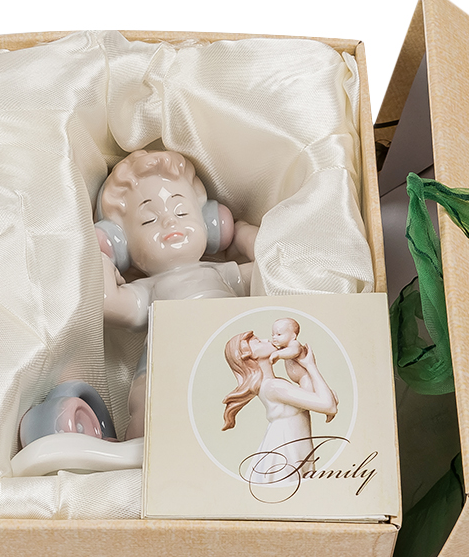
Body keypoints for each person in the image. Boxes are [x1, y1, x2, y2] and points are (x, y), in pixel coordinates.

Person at [97, 149, 258, 439]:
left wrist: (242, 233)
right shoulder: (149, 290)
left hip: (231, 358)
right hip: (169, 366)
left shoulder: (222, 274)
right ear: (121, 244)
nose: (170, 222)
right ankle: (142, 448)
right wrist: (102, 260)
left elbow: (268, 268)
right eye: (148, 220)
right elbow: (110, 304)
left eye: (181, 212)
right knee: (151, 406)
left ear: (210, 222)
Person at [222, 329, 338, 490]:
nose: (266, 339)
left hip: (294, 447)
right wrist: (311, 366)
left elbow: (312, 395)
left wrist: (302, 369)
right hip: (285, 451)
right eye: (258, 341)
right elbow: (328, 406)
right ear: (251, 356)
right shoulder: (274, 386)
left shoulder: (273, 384)